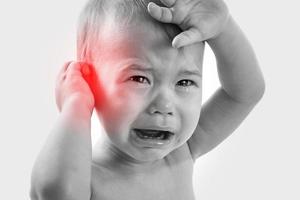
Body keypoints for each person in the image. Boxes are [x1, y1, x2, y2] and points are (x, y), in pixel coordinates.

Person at [30, 0, 265, 199]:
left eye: (184, 82)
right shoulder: (89, 179)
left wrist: (223, 28)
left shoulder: (181, 153)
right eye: (139, 78)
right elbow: (56, 190)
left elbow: (246, 92)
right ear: (89, 79)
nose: (164, 106)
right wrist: (76, 106)